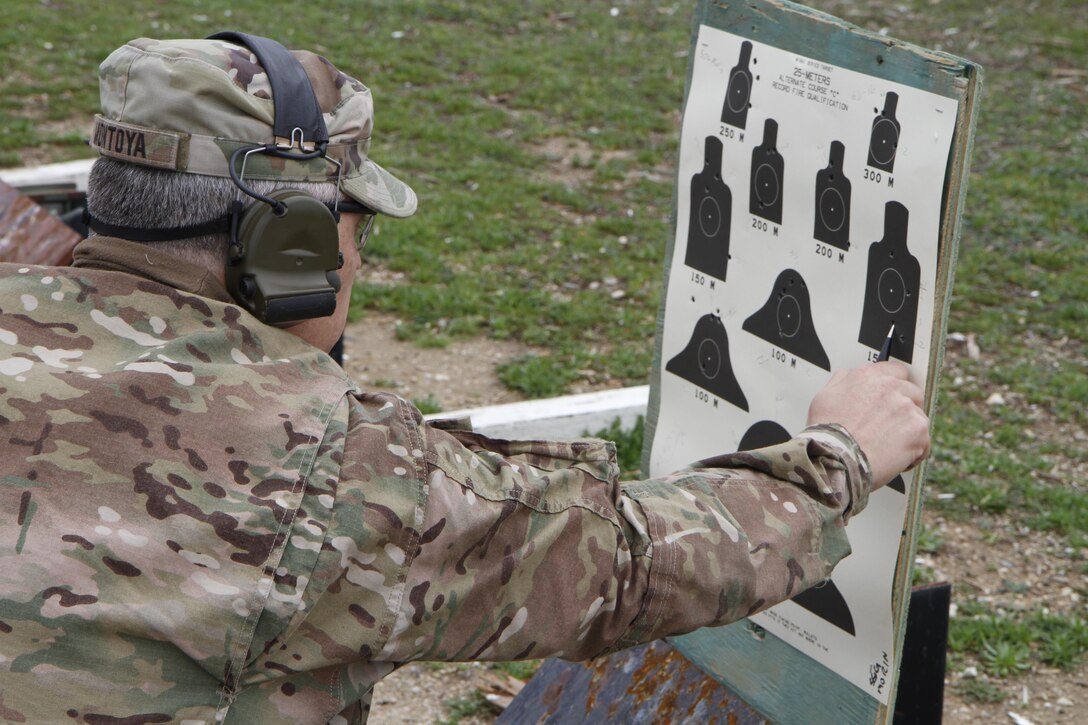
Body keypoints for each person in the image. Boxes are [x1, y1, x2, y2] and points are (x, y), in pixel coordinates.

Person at [0, 34, 930, 724]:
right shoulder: (346, 469)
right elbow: (636, 561)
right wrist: (838, 456)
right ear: (288, 251)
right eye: (353, 233)